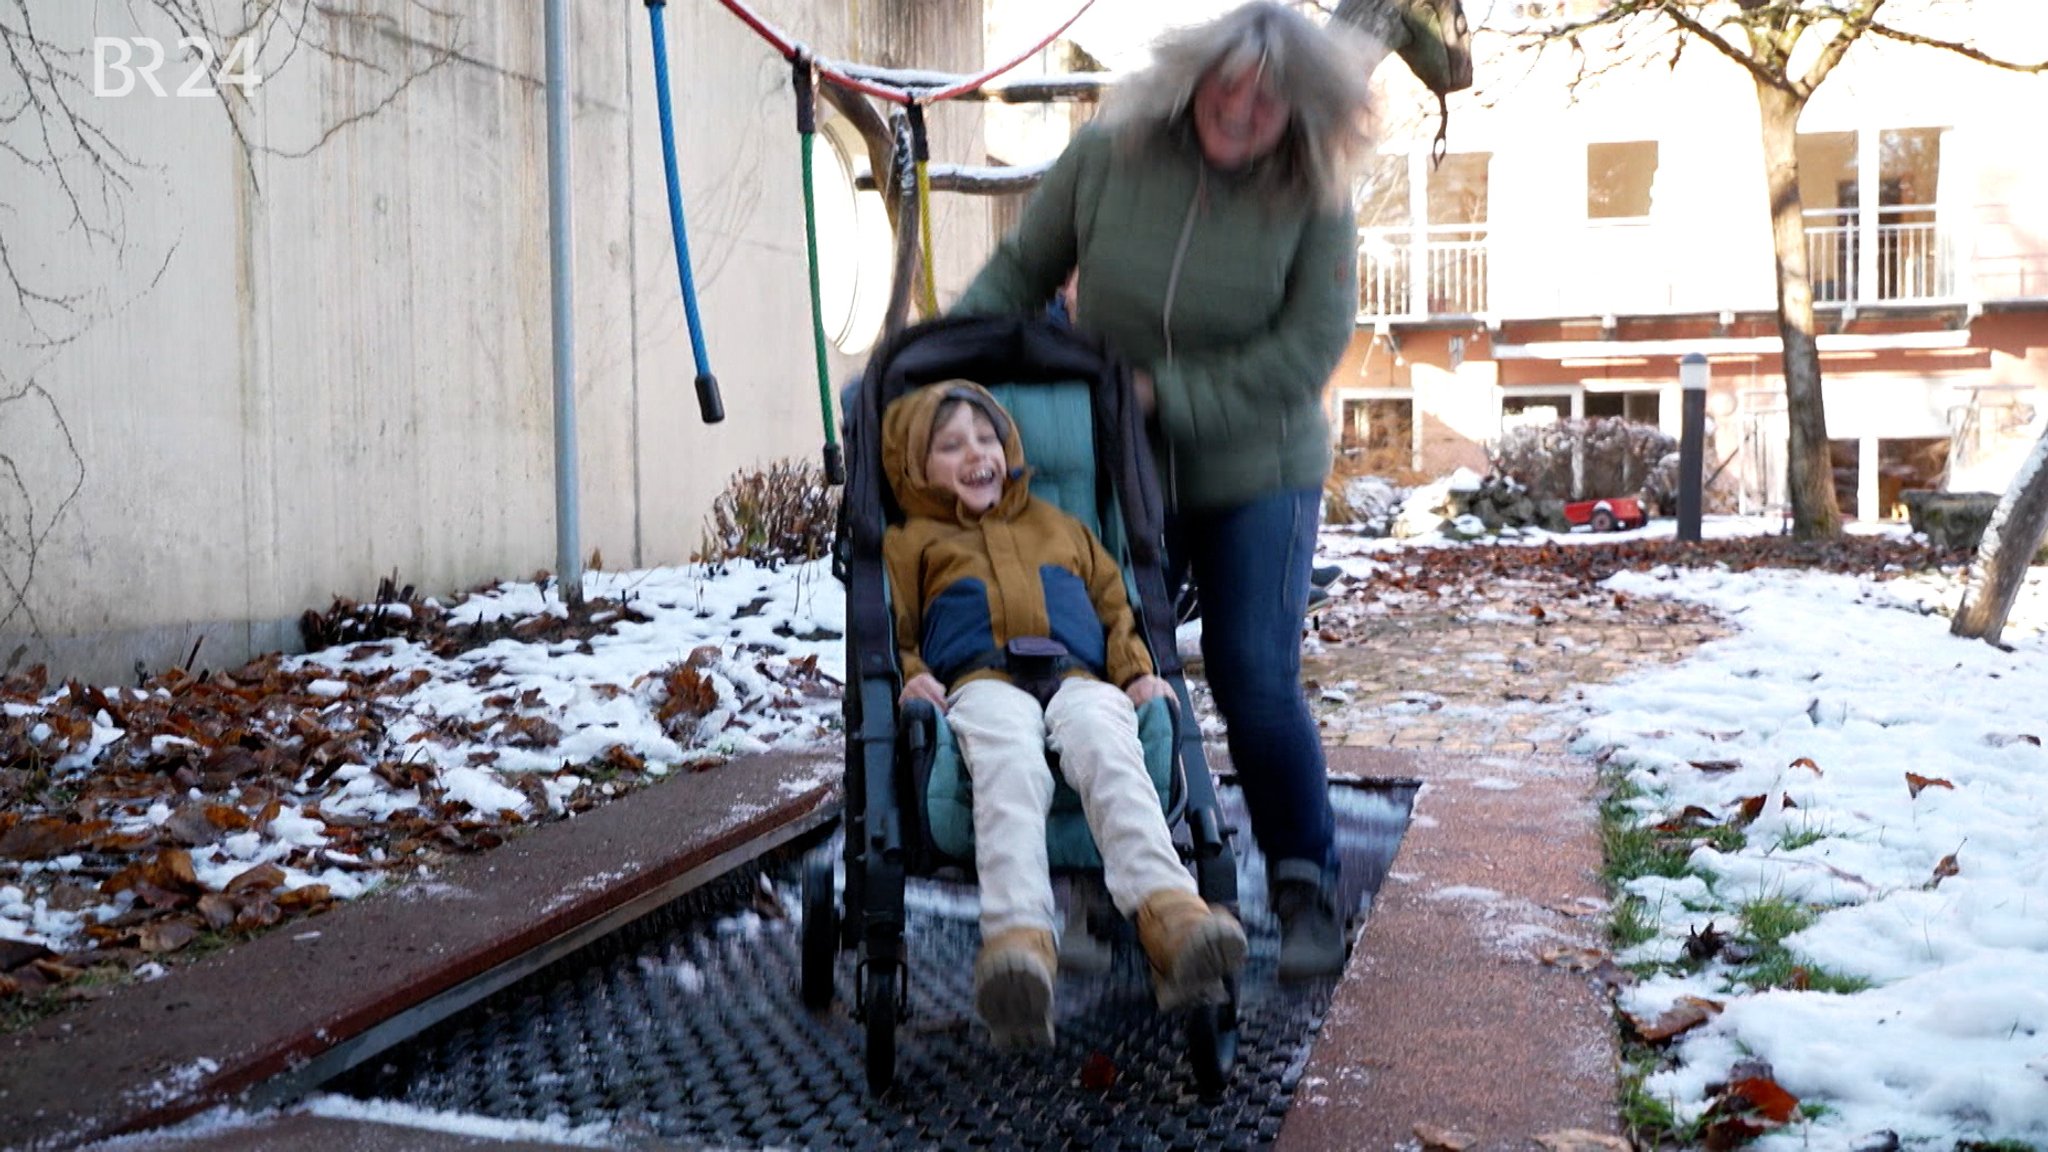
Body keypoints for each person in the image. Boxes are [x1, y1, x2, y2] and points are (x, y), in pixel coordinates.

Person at [952, 1, 1375, 978]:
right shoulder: (1106, 157)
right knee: (1098, 669)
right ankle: (1117, 886)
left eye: (1267, 100)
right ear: (1192, 81)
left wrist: (1163, 393)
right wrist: (931, 364)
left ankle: (1305, 884)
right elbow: (1019, 273)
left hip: (1255, 466)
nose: (1240, 110)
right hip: (1117, 462)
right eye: (1226, 87)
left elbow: (1307, 348)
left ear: (1299, 109)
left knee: (1247, 671)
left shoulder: (1314, 193)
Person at [881, 380, 1248, 1048]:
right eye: (951, 445)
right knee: (1010, 768)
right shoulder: (913, 543)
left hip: (1080, 676)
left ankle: (1170, 918)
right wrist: (911, 677)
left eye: (987, 438)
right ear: (915, 465)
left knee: (1110, 749)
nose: (976, 455)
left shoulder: (1063, 527)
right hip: (981, 682)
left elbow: (1117, 608)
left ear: (1009, 447)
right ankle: (1019, 948)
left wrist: (1136, 673)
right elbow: (894, 630)